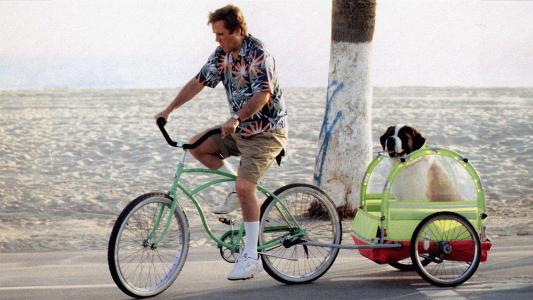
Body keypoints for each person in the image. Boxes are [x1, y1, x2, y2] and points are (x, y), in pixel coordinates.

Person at [154, 4, 287, 281]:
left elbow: (263, 94)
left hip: (266, 132)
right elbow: (198, 82)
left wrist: (236, 117)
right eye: (215, 35)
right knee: (196, 146)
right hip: (238, 128)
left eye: (221, 34)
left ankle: (252, 256)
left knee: (245, 187)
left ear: (239, 30)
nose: (217, 40)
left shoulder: (258, 53)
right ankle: (233, 193)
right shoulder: (222, 54)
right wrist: (169, 110)